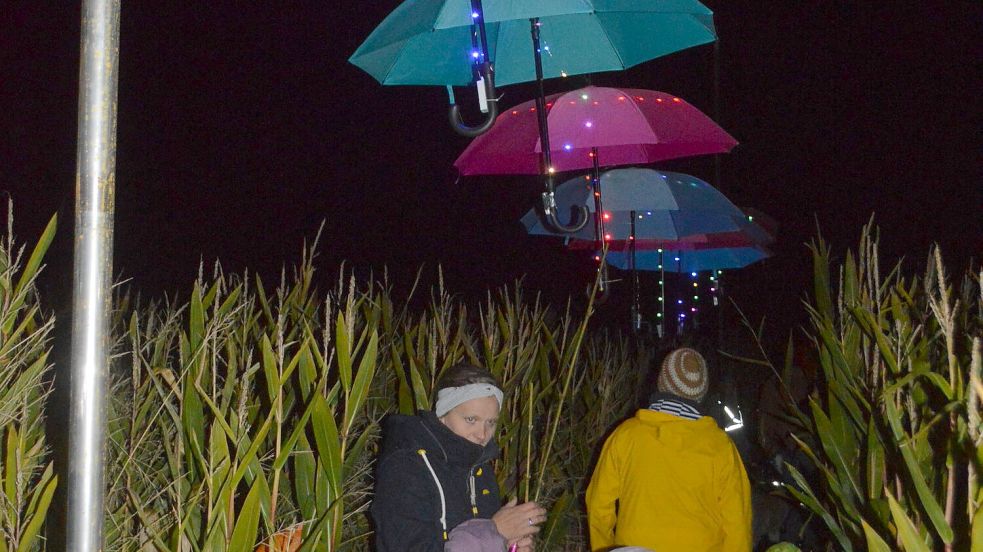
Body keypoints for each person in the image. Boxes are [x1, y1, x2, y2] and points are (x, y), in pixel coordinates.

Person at [586, 347, 752, 551]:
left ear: (660, 382)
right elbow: (737, 521)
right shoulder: (719, 446)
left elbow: (598, 505)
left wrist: (605, 548)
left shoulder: (626, 436)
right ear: (702, 393)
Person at [371, 362, 546, 551]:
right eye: (471, 419)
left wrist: (509, 545)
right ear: (443, 414)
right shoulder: (405, 466)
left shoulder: (480, 471)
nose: (482, 434)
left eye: (491, 422)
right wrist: (495, 531)